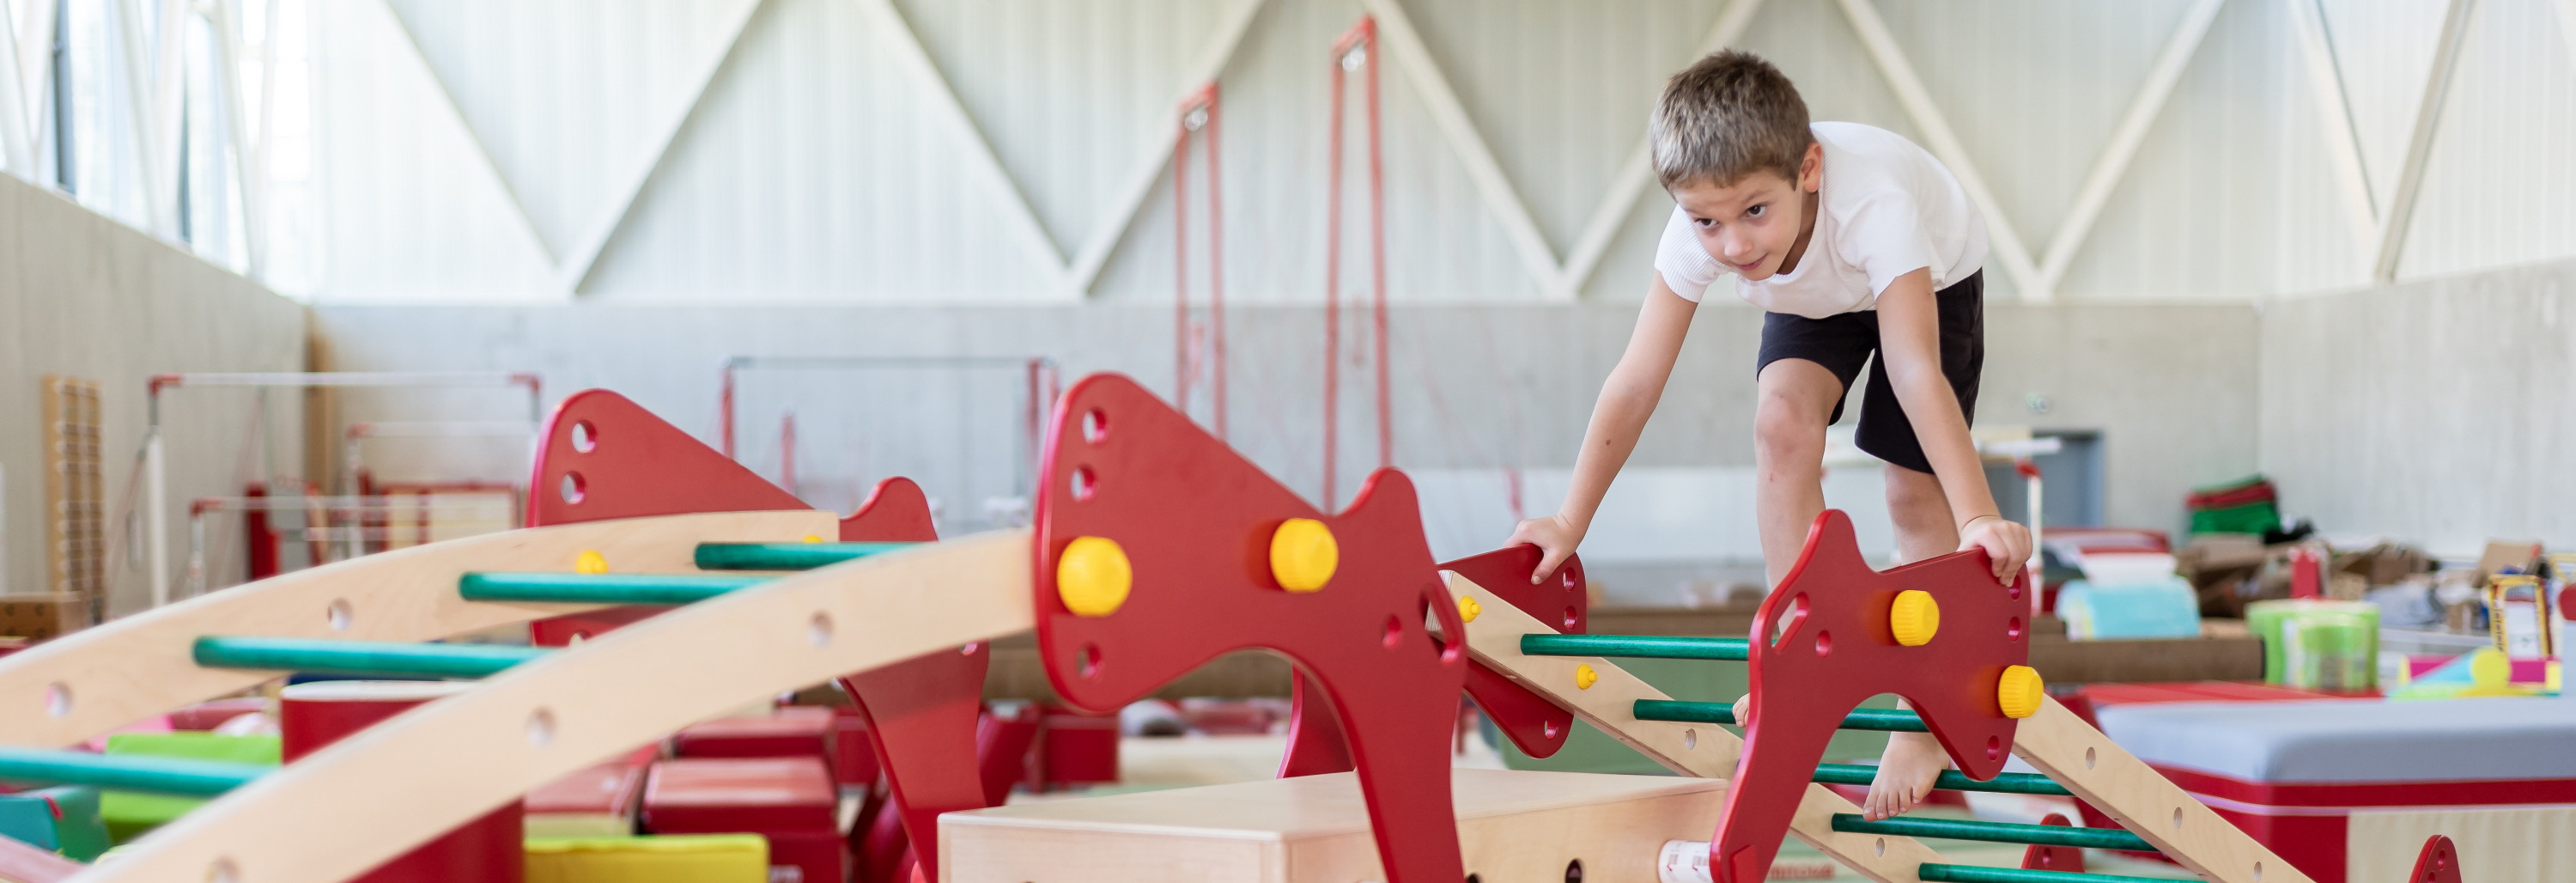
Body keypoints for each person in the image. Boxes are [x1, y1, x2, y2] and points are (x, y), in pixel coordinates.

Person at [1506, 50, 2032, 821]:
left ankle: (1920, 722)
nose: (1731, 246)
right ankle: (1798, 648)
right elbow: (1636, 379)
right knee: (1780, 425)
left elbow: (1917, 372)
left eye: (1754, 211)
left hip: (1931, 271)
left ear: (1808, 169)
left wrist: (1979, 515)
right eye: (1706, 222)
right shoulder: (1706, 230)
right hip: (1815, 287)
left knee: (1910, 491)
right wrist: (1568, 520)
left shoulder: (1875, 207)